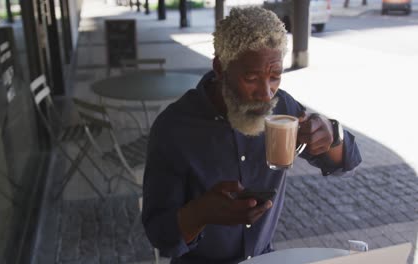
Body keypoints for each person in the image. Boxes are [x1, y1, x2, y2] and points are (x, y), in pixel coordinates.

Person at [142, 6, 362, 264]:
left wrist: (331, 133)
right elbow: (161, 235)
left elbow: (344, 162)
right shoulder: (174, 128)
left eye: (274, 77)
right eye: (252, 77)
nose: (266, 93)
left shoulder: (283, 109)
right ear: (220, 68)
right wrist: (201, 213)